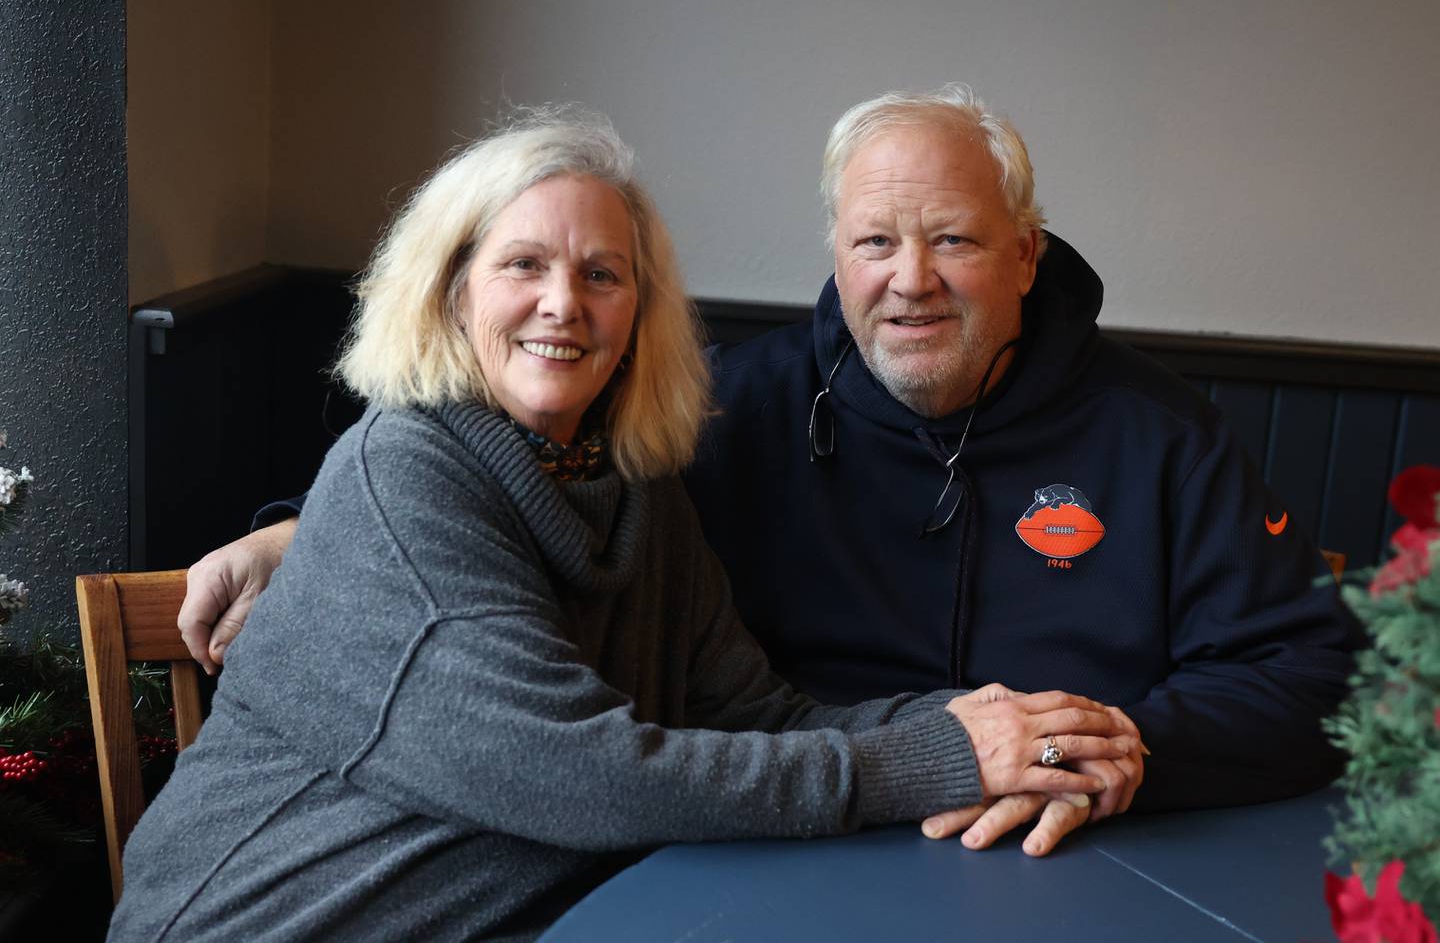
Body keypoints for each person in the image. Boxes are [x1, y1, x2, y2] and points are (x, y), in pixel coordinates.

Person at [177, 85, 1363, 853]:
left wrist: (1114, 750)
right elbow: (467, 493)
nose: (910, 278)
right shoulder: (728, 410)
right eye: (874, 242)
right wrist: (304, 528)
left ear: (1024, 255)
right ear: (836, 258)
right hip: (786, 845)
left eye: (951, 238)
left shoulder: (1162, 433)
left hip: (1075, 847)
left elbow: (1315, 674)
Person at [112, 110, 1131, 942]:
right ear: (452, 288)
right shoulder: (405, 475)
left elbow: (758, 718)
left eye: (603, 274)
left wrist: (1024, 736)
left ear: (640, 311)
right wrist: (935, 761)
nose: (565, 304)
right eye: (524, 266)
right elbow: (584, 777)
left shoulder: (632, 483)